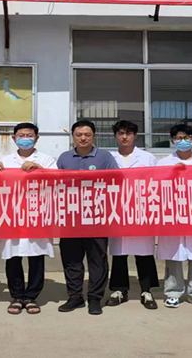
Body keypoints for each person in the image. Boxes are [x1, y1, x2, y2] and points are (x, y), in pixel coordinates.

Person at [0, 122, 57, 315]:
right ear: (14, 138)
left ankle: (31, 296)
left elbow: (56, 180)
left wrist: (39, 168)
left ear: (36, 138)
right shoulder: (5, 160)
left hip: (37, 214)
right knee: (13, 257)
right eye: (21, 135)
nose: (25, 139)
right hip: (12, 214)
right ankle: (17, 296)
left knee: (36, 257)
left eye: (29, 135)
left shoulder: (46, 159)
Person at [56, 120, 119, 315]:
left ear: (94, 136)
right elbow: (55, 184)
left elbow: (117, 180)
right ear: (73, 137)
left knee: (97, 259)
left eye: (87, 135)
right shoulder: (64, 158)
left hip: (97, 217)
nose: (83, 138)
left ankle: (94, 298)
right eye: (79, 135)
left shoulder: (105, 157)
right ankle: (75, 296)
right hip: (70, 217)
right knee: (71, 259)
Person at [156, 124, 192, 309]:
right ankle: (173, 291)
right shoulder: (163, 163)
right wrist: (173, 173)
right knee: (174, 254)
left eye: (186, 138)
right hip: (173, 214)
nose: (183, 141)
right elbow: (156, 186)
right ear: (172, 141)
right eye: (178, 138)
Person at [106, 120, 159, 310]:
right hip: (117, 210)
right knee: (119, 253)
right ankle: (119, 290)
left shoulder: (147, 158)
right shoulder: (109, 158)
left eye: (128, 133)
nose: (124, 137)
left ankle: (146, 290)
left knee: (144, 252)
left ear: (135, 136)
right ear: (115, 136)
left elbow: (156, 182)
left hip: (141, 210)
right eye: (120, 133)